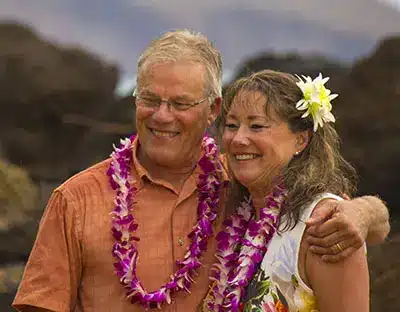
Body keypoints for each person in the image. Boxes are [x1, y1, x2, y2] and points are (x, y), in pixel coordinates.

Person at [12, 30, 389, 312]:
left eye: (180, 103)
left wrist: (363, 211)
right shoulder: (76, 200)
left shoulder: (242, 184)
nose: (162, 116)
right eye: (149, 99)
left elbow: (358, 222)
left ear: (212, 110)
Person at [202, 69, 373, 312]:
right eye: (231, 125)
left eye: (257, 126)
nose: (238, 139)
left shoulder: (326, 225)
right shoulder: (234, 212)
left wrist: (368, 211)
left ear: (301, 140)